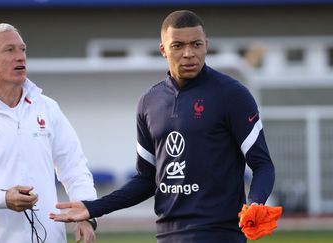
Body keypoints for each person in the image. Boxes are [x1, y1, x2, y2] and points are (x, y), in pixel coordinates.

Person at [49, 10, 275, 243]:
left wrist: (255, 203)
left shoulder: (232, 95)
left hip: (220, 234)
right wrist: (94, 208)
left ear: (206, 45)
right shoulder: (150, 101)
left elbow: (262, 164)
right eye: (178, 46)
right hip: (168, 235)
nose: (188, 53)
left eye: (196, 44)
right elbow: (147, 180)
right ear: (163, 49)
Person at [0, 23, 98, 243]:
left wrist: (86, 216)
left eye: (22, 49)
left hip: (51, 238)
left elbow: (75, 168)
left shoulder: (48, 108)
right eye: (9, 50)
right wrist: (1, 198)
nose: (20, 57)